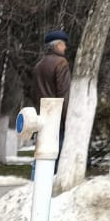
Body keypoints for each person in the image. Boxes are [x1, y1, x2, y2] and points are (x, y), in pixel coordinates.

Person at [33, 30, 71, 166]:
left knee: (42, 155)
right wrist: (68, 120)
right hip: (57, 118)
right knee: (56, 156)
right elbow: (63, 93)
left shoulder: (39, 65)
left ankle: (37, 182)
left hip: (42, 116)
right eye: (63, 44)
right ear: (57, 45)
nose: (65, 47)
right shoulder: (61, 63)